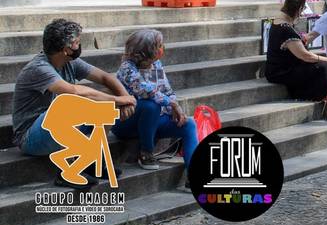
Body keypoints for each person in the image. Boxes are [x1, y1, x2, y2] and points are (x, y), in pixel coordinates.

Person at [11, 19, 136, 188]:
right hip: (31, 136)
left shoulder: (70, 62)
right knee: (67, 102)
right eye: (77, 43)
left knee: (106, 101)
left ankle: (91, 163)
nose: (79, 45)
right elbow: (73, 91)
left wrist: (125, 99)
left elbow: (106, 77)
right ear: (65, 50)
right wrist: (120, 100)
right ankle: (66, 172)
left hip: (59, 125)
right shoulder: (38, 68)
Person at [111, 29, 199, 176]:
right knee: (151, 105)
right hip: (125, 122)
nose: (162, 48)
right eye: (159, 45)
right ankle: (146, 152)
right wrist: (172, 105)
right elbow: (147, 91)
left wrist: (177, 111)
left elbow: (167, 90)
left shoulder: (156, 64)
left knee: (189, 124)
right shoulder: (127, 68)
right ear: (148, 51)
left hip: (153, 121)